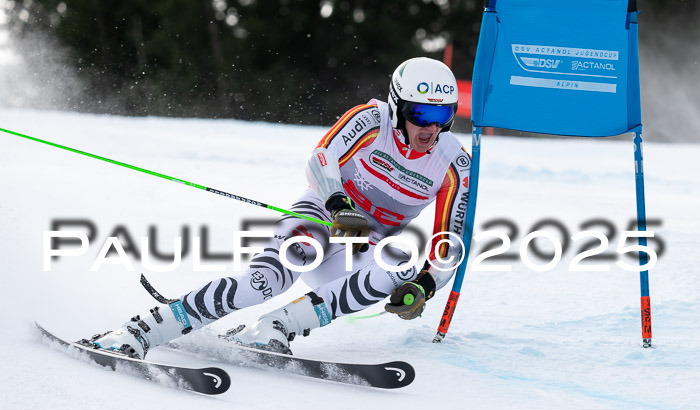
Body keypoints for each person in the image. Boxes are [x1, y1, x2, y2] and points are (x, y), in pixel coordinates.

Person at [86, 57, 472, 358]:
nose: (431, 129)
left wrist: (423, 286)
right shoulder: (370, 120)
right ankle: (139, 331)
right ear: (396, 106)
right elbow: (321, 159)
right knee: (266, 280)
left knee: (399, 266)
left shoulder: (453, 163)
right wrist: (339, 204)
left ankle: (276, 327)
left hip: (361, 244)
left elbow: (449, 244)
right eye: (421, 114)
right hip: (324, 214)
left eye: (443, 116)